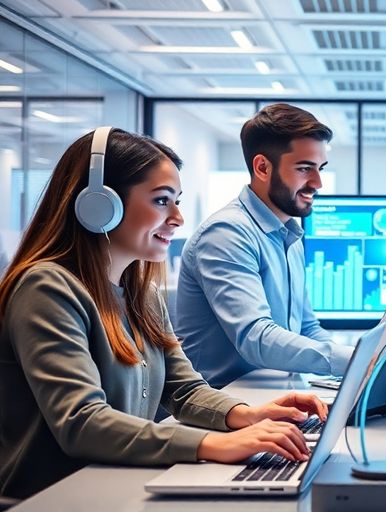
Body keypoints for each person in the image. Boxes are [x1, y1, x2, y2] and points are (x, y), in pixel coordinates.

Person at [0, 128, 329, 499]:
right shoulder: (47, 288)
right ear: (99, 205)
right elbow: (82, 422)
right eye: (161, 201)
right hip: (54, 497)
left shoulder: (144, 295)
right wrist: (212, 444)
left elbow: (185, 391)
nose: (177, 218)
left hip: (115, 483)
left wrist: (249, 415)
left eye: (177, 201)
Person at [176, 103, 350, 388]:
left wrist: (361, 366)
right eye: (305, 168)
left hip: (274, 395)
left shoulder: (289, 235)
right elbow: (255, 337)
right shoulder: (227, 233)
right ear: (262, 167)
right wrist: (353, 361)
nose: (317, 183)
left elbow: (307, 328)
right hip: (224, 405)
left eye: (320, 168)